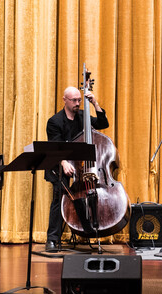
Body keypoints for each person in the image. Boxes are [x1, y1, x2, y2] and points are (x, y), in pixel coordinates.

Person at [44, 85, 109, 251]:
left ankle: (88, 230)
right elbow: (54, 147)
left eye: (79, 100)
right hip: (60, 166)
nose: (77, 103)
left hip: (81, 167)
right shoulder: (55, 122)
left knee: (83, 194)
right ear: (65, 100)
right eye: (74, 100)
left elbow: (103, 123)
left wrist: (95, 104)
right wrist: (64, 162)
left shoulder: (83, 116)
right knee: (60, 197)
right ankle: (52, 239)